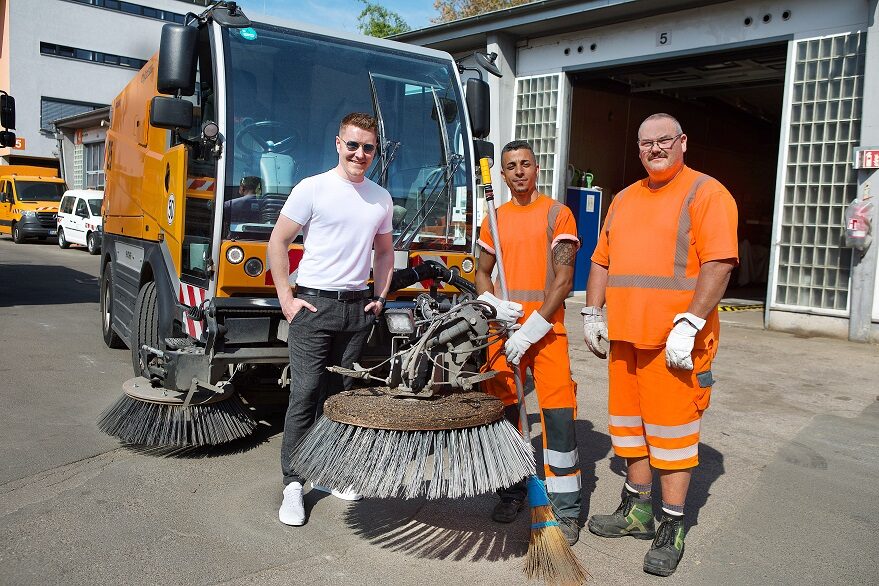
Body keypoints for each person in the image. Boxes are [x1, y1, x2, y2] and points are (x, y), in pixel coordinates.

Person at [582, 113, 738, 576]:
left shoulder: (706, 193)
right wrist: (592, 312)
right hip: (626, 341)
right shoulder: (626, 198)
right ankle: (636, 510)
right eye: (645, 143)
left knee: (672, 437)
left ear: (683, 142)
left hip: (677, 344)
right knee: (630, 433)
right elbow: (601, 261)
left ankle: (672, 525)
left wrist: (691, 320)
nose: (654, 149)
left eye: (664, 140)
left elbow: (720, 263)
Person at [268, 112, 394, 527]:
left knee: (340, 395)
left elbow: (385, 251)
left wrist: (379, 294)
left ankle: (329, 471)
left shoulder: (380, 197)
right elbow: (279, 241)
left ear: (376, 152)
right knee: (304, 393)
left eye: (368, 147)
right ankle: (293, 484)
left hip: (357, 309)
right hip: (313, 306)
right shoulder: (313, 188)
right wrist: (286, 297)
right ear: (338, 144)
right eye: (353, 145)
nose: (360, 153)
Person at [475, 140, 583, 545]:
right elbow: (484, 271)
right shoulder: (495, 219)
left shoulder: (558, 214)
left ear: (537, 169)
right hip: (503, 332)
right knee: (506, 415)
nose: (518, 171)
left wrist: (533, 326)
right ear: (501, 175)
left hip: (545, 333)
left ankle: (566, 509)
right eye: (510, 166)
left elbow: (564, 280)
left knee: (557, 418)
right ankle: (512, 490)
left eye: (525, 164)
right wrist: (493, 305)